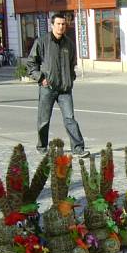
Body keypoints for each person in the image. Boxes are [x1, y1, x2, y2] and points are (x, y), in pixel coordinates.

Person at [27, 12, 89, 157]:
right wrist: (40, 78)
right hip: (47, 87)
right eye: (58, 24)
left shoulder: (69, 44)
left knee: (70, 119)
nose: (61, 27)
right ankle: (42, 146)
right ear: (52, 25)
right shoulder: (42, 42)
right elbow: (31, 63)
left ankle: (78, 148)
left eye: (63, 24)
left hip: (64, 89)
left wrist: (70, 78)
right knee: (43, 119)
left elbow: (72, 63)